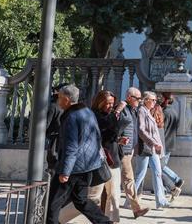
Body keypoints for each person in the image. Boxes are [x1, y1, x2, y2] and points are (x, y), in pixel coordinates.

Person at [45, 84, 111, 224]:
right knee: (81, 200)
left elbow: (71, 146)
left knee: (53, 203)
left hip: (73, 168)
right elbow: (96, 137)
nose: (58, 100)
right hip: (86, 166)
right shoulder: (87, 111)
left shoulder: (71, 117)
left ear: (67, 99)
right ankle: (105, 222)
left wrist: (65, 172)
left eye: (59, 97)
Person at [91, 90, 130, 222]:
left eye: (112, 103)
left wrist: (119, 140)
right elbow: (104, 125)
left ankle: (111, 220)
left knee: (114, 195)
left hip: (113, 159)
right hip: (98, 161)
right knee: (92, 197)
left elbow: (110, 133)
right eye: (108, 103)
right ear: (100, 102)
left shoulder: (112, 115)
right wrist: (117, 111)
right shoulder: (94, 115)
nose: (110, 106)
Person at [133, 91, 169, 209]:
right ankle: (130, 201)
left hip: (152, 148)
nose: (154, 102)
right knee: (140, 174)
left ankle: (161, 201)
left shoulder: (148, 111)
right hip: (145, 147)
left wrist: (157, 145)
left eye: (155, 100)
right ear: (145, 100)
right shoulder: (141, 111)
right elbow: (141, 130)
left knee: (158, 173)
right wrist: (153, 142)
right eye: (152, 100)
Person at [120, 87, 148, 218]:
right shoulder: (122, 110)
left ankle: (136, 209)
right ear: (129, 98)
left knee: (127, 179)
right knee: (128, 179)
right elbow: (116, 128)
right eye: (137, 98)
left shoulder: (133, 110)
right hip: (122, 150)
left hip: (129, 149)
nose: (140, 101)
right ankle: (136, 209)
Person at [158, 93, 184, 201]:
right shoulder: (174, 112)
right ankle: (163, 189)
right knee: (159, 167)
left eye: (161, 98)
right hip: (170, 143)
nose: (159, 100)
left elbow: (161, 130)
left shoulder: (164, 113)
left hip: (164, 143)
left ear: (166, 100)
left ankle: (176, 179)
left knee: (159, 167)